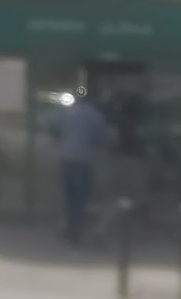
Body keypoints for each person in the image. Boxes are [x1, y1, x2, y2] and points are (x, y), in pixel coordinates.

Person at [50, 89, 113, 246]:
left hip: (66, 159)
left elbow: (54, 129)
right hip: (84, 160)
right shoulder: (94, 115)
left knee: (70, 196)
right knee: (81, 197)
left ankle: (70, 230)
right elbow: (102, 136)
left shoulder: (66, 113)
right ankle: (77, 231)